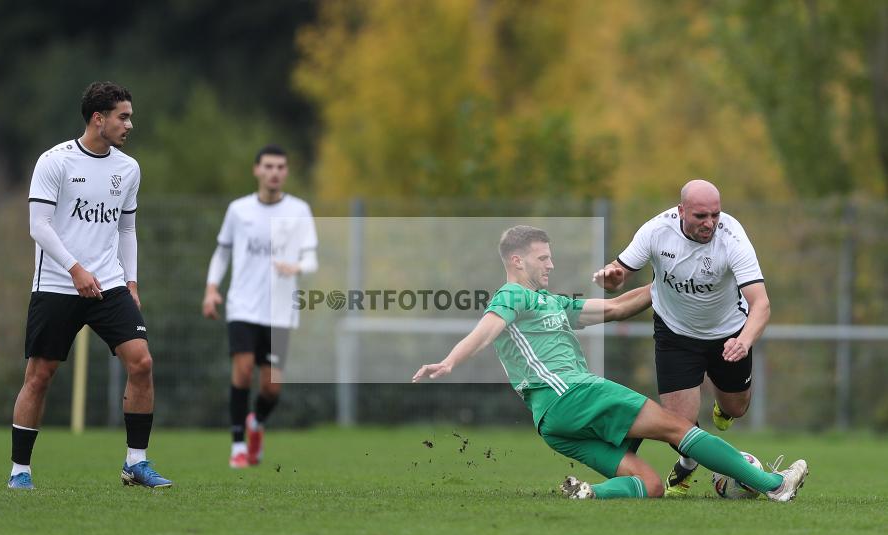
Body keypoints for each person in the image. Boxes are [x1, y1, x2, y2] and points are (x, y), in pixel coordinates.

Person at [413, 225, 806, 501]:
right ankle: (773, 484)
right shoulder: (512, 297)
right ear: (517, 261)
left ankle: (587, 493)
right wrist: (449, 362)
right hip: (572, 394)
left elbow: (618, 307)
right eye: (543, 258)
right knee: (676, 427)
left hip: (553, 424)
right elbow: (487, 328)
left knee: (649, 484)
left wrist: (670, 281)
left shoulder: (553, 303)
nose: (550, 264)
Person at [8, 81, 171, 490]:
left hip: (110, 285)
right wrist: (75, 268)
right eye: (123, 116)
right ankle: (20, 471)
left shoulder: (128, 168)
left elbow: (127, 228)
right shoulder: (54, 162)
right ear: (99, 119)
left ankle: (136, 463)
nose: (129, 124)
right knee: (39, 375)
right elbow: (38, 226)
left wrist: (131, 280)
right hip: (58, 284)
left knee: (142, 363)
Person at [593, 180, 771, 497]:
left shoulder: (732, 238)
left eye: (715, 215)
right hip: (675, 333)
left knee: (737, 407)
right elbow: (616, 276)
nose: (710, 223)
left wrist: (743, 340)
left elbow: (761, 304)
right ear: (681, 211)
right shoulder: (655, 231)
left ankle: (724, 411)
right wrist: (611, 279)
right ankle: (687, 465)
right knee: (678, 425)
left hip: (728, 334)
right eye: (701, 216)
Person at [202, 145, 318, 468]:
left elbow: (311, 258)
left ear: (286, 172)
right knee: (241, 370)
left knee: (272, 387)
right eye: (268, 166)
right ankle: (238, 445)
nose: (274, 172)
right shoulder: (239, 210)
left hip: (280, 312)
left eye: (280, 167)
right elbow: (222, 252)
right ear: (256, 170)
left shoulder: (299, 210)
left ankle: (256, 423)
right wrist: (211, 290)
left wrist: (296, 267)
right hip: (242, 307)